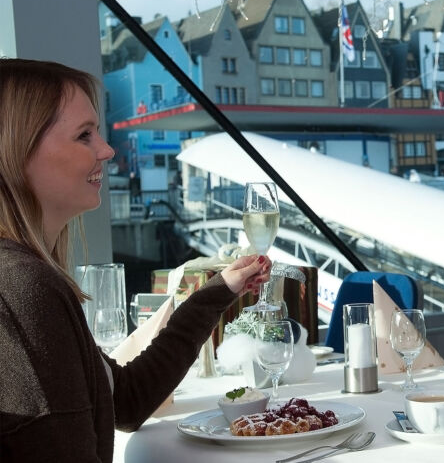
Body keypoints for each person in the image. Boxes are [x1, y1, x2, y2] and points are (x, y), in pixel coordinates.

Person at [0, 58, 271, 461]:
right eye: (84, 135)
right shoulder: (23, 290)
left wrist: (217, 293)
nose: (106, 150)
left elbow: (126, 399)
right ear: (18, 150)